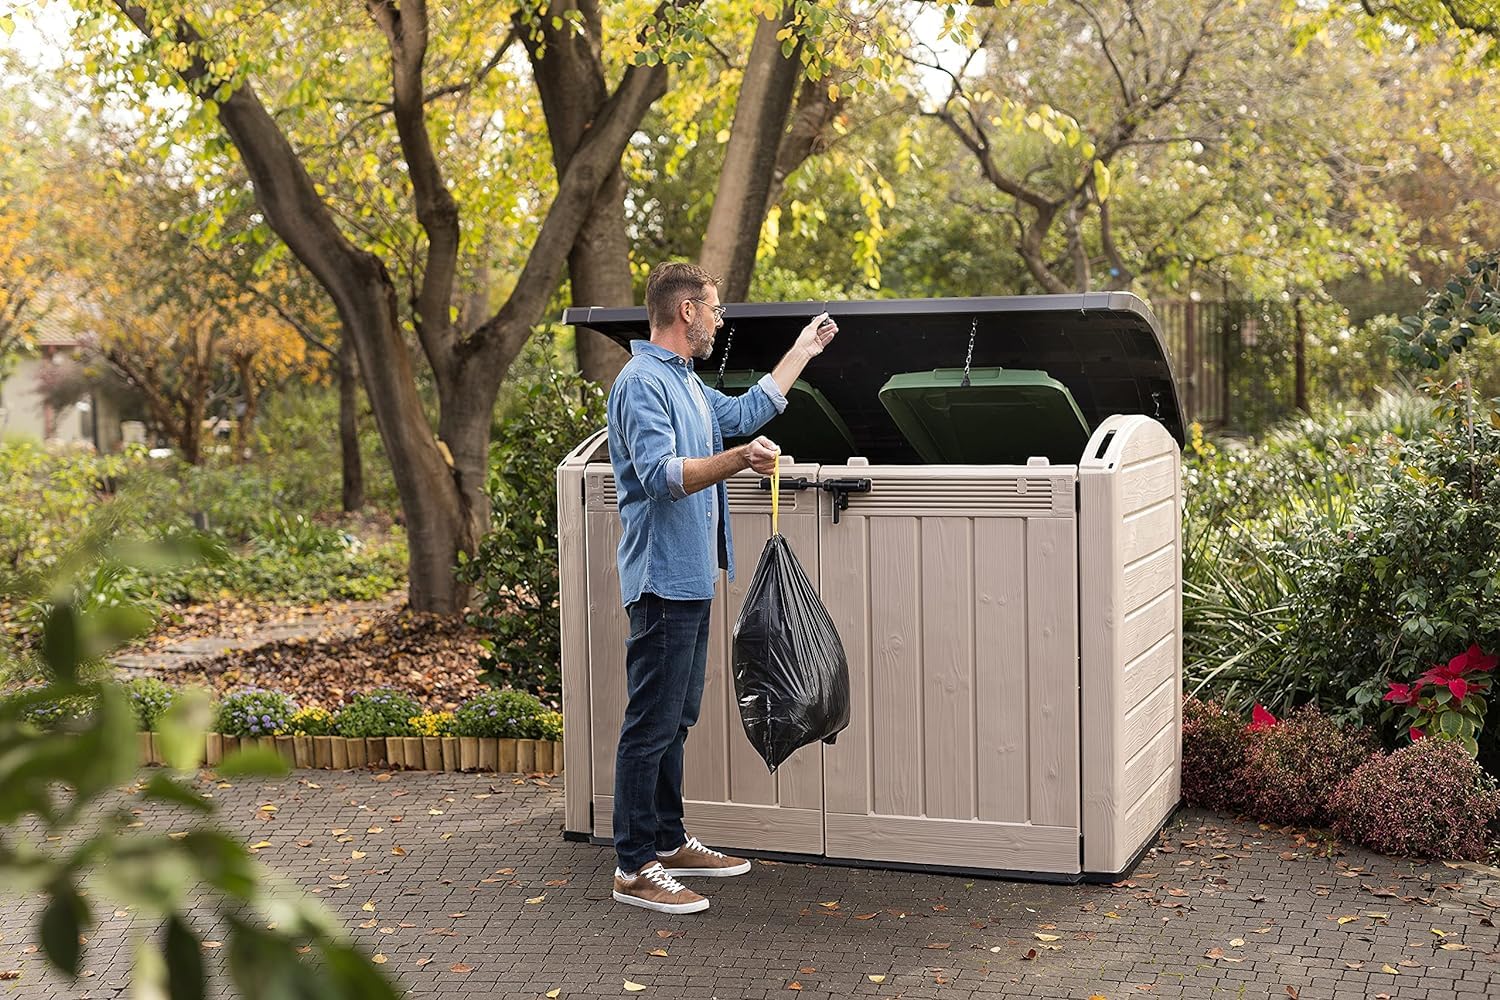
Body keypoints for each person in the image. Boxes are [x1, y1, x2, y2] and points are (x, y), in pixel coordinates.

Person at [605, 262, 838, 914]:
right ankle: (633, 866)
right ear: (686, 313)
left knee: (675, 718)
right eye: (713, 308)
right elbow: (660, 476)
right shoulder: (641, 385)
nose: (719, 319)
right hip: (660, 580)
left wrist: (802, 350)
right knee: (649, 725)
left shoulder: (681, 380)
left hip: (691, 576)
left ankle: (669, 841)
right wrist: (742, 460)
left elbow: (742, 413)